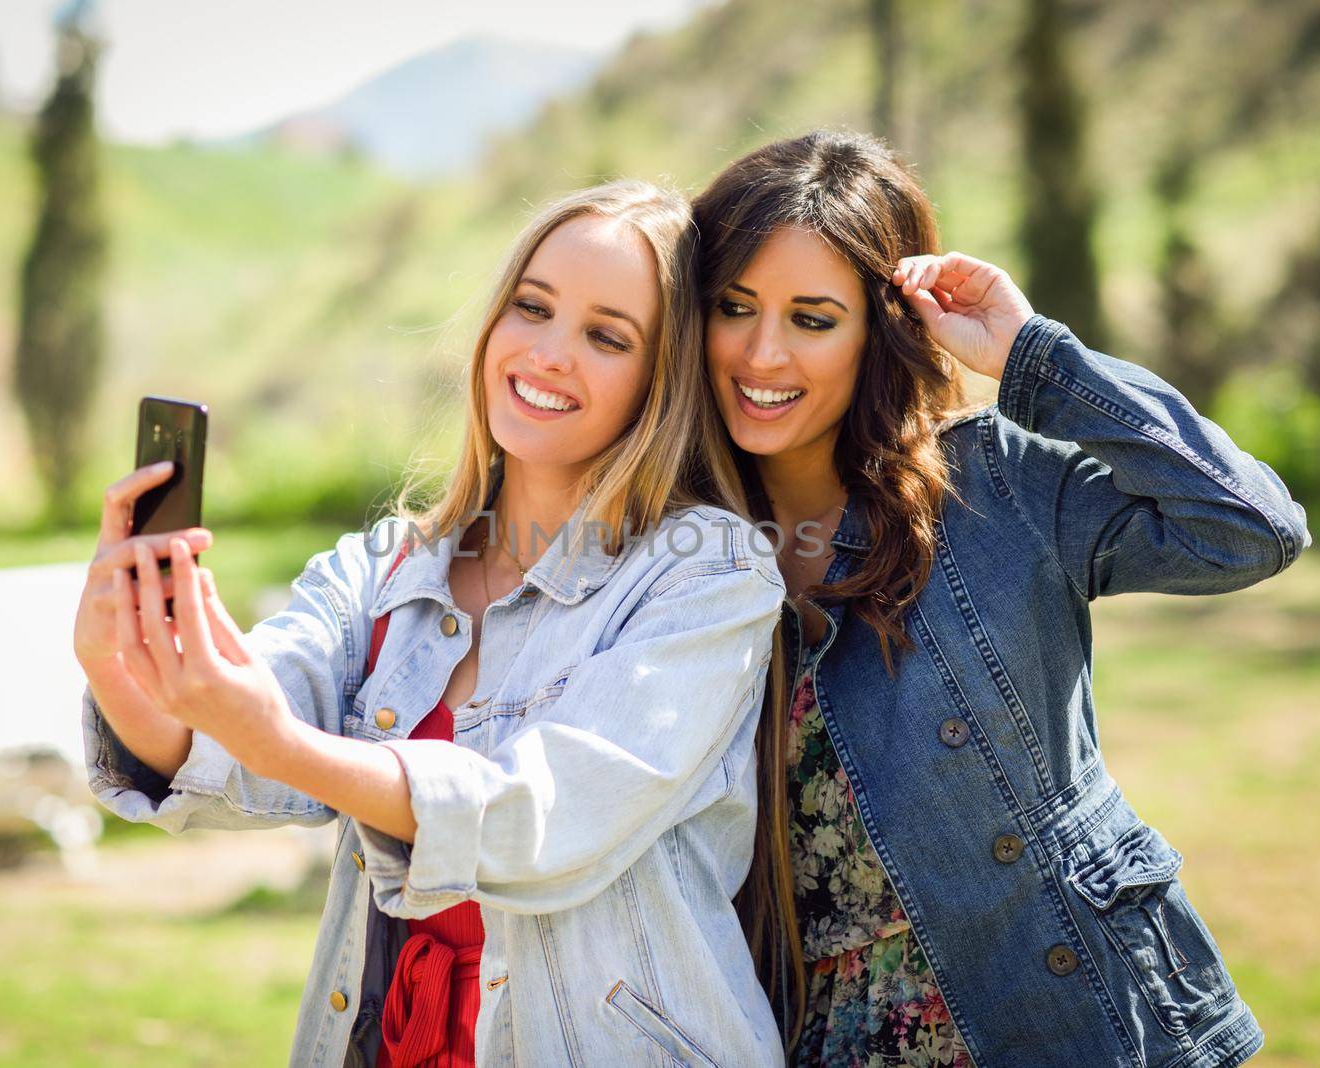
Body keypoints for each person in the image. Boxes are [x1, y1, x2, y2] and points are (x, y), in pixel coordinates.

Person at [72, 179, 792, 1067]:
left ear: (663, 379)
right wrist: (121, 667)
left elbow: (540, 821)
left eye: (608, 336)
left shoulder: (706, 571)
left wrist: (272, 738)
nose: (550, 352)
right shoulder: (383, 566)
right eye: (532, 307)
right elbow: (236, 749)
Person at [692, 130, 1309, 1067]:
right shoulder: (676, 555)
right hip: (826, 1037)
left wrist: (1032, 357)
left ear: (880, 328)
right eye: (735, 307)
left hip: (1082, 1010)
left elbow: (1246, 528)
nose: (762, 353)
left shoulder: (993, 486)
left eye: (813, 318)